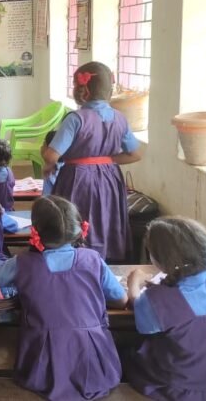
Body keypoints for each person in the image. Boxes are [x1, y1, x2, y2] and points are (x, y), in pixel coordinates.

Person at [0, 195, 127, 400]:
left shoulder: (22, 262)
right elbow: (121, 300)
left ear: (36, 231)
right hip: (94, 360)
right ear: (77, 229)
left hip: (42, 364)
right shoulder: (93, 259)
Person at [126, 217, 206, 400]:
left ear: (160, 259)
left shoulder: (158, 300)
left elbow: (143, 322)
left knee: (130, 356)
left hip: (183, 390)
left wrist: (134, 283)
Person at [41, 61, 141, 261]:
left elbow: (52, 155)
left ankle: (76, 258)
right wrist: (106, 159)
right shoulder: (120, 118)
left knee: (77, 217)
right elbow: (135, 154)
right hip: (109, 178)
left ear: (83, 90)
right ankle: (104, 258)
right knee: (105, 216)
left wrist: (46, 156)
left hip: (77, 178)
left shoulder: (76, 118)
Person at [41, 130, 61, 196]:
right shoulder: (67, 167)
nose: (41, 147)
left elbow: (46, 199)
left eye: (43, 144)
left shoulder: (51, 173)